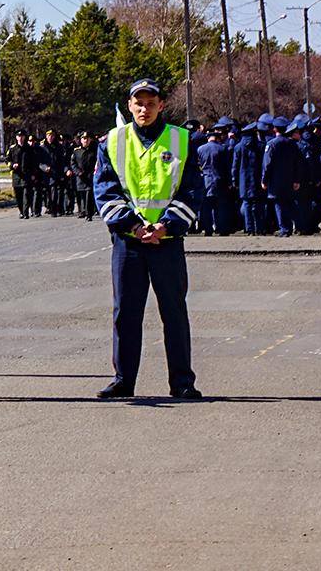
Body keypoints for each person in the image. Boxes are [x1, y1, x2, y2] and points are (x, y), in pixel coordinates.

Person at [93, 79, 203, 400]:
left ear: (161, 105)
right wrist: (134, 225)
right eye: (138, 103)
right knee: (125, 313)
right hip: (129, 242)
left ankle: (182, 381)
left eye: (150, 103)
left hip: (167, 241)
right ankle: (123, 380)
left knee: (174, 312)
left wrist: (166, 226)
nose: (144, 108)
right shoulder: (112, 142)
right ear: (129, 106)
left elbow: (192, 190)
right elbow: (106, 190)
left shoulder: (182, 140)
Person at [262, 117, 304, 237]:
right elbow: (297, 163)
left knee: (279, 205)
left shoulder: (271, 145)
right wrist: (296, 179)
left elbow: (267, 164)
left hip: (275, 181)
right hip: (290, 180)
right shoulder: (292, 144)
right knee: (290, 203)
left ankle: (285, 229)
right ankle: (299, 226)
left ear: (275, 129)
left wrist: (264, 180)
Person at [193, 120, 235, 236]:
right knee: (220, 207)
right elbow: (227, 167)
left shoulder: (200, 149)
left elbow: (198, 165)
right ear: (217, 138)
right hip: (220, 180)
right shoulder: (222, 149)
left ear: (208, 138)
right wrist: (230, 182)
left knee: (206, 207)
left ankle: (208, 230)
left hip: (205, 180)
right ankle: (221, 229)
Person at [233, 119, 266, 235]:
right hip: (258, 180)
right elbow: (264, 164)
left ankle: (249, 229)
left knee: (247, 204)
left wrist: (234, 181)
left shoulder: (238, 147)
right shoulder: (261, 146)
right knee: (259, 204)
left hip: (244, 181)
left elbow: (235, 166)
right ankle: (260, 228)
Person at [72, 131, 98, 219]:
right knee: (81, 195)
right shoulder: (77, 151)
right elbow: (73, 163)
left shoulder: (95, 150)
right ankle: (82, 211)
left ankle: (89, 213)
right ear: (81, 140)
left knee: (89, 195)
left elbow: (98, 162)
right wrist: (77, 172)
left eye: (87, 138)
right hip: (80, 177)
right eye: (83, 138)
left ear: (90, 139)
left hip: (90, 176)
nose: (85, 140)